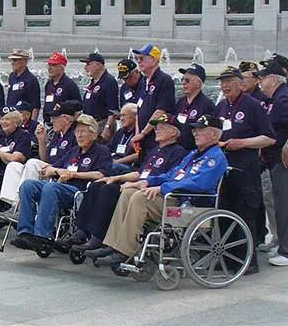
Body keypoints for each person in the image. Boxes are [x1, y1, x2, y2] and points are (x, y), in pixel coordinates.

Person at [87, 115, 229, 267]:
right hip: (172, 198)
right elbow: (171, 175)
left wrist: (162, 188)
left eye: (200, 130)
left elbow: (198, 184)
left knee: (140, 198)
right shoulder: (192, 155)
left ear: (214, 134)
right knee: (128, 192)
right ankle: (112, 245)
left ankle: (125, 251)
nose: (195, 133)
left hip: (189, 203)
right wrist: (147, 181)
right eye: (194, 130)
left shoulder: (215, 158)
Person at [70, 113, 186, 251]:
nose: (156, 131)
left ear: (173, 132)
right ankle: (82, 230)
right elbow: (139, 173)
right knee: (99, 185)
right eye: (156, 128)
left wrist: (134, 184)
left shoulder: (178, 152)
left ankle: (99, 237)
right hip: (138, 184)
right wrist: (116, 178)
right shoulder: (156, 151)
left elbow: (165, 178)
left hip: (150, 191)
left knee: (109, 191)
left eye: (161, 128)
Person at [12, 114, 112, 249]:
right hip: (61, 186)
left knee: (50, 188)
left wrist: (74, 174)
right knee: (28, 185)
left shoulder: (102, 151)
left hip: (79, 191)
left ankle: (42, 235)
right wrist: (59, 171)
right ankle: (25, 232)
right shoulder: (73, 151)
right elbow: (48, 169)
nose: (79, 135)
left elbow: (101, 174)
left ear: (94, 135)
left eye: (83, 131)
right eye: (77, 132)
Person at [215, 65, 276, 273]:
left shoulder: (252, 105)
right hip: (225, 168)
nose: (225, 86)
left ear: (241, 84)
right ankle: (227, 258)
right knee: (225, 212)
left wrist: (242, 143)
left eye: (230, 82)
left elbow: (269, 138)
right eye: (223, 83)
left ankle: (248, 261)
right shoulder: (222, 106)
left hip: (246, 168)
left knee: (245, 214)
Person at [0, 100, 82, 223]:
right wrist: (42, 140)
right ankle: (15, 205)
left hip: (59, 171)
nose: (52, 121)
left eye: (56, 118)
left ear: (67, 119)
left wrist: (53, 168)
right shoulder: (57, 136)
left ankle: (21, 209)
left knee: (32, 162)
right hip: (47, 168)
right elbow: (44, 159)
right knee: (13, 166)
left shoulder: (74, 136)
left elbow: (70, 160)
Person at [258, 59, 288, 266]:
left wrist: (287, 147)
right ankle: (284, 247)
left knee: (287, 206)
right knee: (282, 204)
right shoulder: (278, 95)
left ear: (272, 79)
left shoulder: (283, 97)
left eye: (262, 77)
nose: (260, 81)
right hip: (277, 159)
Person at [129, 44, 175, 160]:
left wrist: (143, 133)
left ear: (154, 61)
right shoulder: (143, 81)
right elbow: (139, 109)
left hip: (156, 137)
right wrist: (137, 133)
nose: (139, 61)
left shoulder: (164, 80)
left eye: (142, 58)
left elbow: (160, 111)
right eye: (138, 58)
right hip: (143, 139)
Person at [173, 64, 215, 150]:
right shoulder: (181, 102)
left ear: (198, 84)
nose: (183, 83)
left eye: (187, 80)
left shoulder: (207, 105)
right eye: (183, 79)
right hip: (177, 150)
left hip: (193, 152)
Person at [80, 52, 118, 137]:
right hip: (89, 124)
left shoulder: (109, 81)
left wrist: (107, 128)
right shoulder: (93, 82)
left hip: (101, 124)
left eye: (88, 64)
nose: (85, 67)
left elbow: (112, 109)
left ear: (97, 65)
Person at [42, 52, 82, 125]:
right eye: (49, 65)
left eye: (53, 65)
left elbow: (78, 106)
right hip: (48, 123)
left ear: (62, 68)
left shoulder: (69, 85)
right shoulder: (49, 84)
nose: (49, 68)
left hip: (62, 125)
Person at [6, 49, 40, 120]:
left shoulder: (31, 79)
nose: (12, 63)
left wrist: (33, 124)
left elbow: (35, 105)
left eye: (15, 60)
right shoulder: (12, 76)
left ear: (24, 62)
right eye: (11, 60)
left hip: (24, 118)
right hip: (11, 117)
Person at [109, 103, 139, 174]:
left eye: (124, 115)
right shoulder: (120, 132)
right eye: (120, 116)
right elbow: (107, 148)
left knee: (111, 166)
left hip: (128, 166)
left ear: (135, 116)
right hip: (113, 161)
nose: (121, 119)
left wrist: (119, 161)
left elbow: (140, 154)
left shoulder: (139, 133)